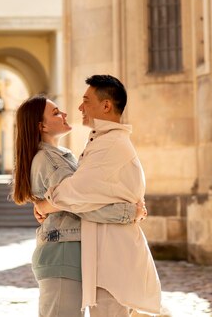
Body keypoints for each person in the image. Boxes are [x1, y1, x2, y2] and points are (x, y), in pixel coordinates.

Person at [36, 75, 161, 316]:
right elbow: (83, 199)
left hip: (113, 260)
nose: (80, 107)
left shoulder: (111, 144)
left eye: (86, 100)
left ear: (106, 106)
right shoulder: (103, 141)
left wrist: (46, 204)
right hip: (105, 259)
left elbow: (74, 192)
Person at [12, 94, 146, 317]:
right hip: (62, 254)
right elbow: (79, 204)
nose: (64, 113)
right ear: (41, 126)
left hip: (70, 252)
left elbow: (82, 197)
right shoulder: (49, 160)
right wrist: (128, 212)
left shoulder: (62, 156)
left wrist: (47, 206)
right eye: (55, 113)